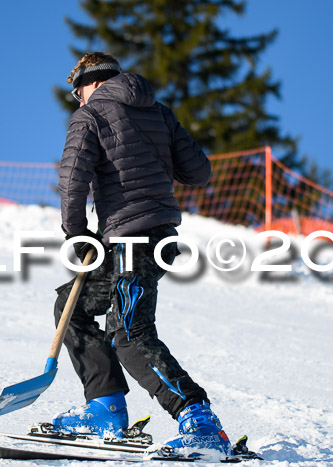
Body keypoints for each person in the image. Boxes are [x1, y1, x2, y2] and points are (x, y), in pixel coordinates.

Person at [53, 51, 232, 456]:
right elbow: (198, 173)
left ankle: (198, 419)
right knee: (73, 306)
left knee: (129, 333)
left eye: (77, 91)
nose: (77, 100)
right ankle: (105, 405)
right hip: (153, 237)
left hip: (133, 240)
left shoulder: (90, 115)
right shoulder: (158, 111)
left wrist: (77, 235)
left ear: (89, 83)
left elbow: (72, 180)